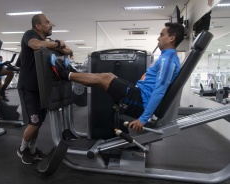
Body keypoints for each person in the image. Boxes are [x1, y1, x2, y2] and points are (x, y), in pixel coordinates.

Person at [52, 22, 185, 132]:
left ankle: (64, 74)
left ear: (171, 38)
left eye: (162, 35)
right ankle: (71, 72)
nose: (158, 38)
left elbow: (159, 90)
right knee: (109, 76)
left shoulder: (167, 60)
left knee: (103, 78)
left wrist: (143, 119)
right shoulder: (166, 57)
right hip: (139, 94)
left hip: (141, 101)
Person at [17, 13, 72, 165]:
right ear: (38, 25)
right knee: (34, 122)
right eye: (47, 22)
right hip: (28, 87)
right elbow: (35, 45)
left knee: (39, 122)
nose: (50, 25)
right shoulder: (30, 34)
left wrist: (59, 45)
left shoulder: (46, 42)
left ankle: (33, 150)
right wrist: (56, 44)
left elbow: (68, 51)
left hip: (41, 87)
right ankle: (22, 149)